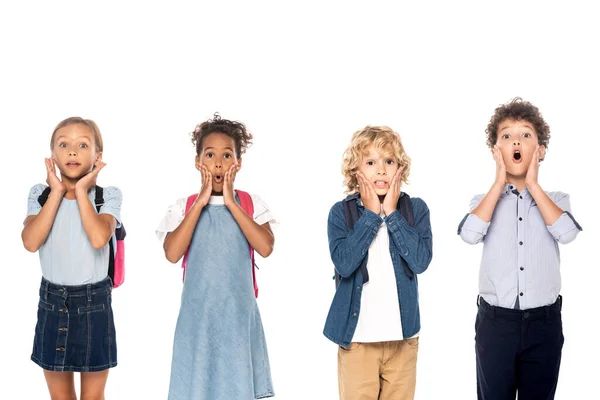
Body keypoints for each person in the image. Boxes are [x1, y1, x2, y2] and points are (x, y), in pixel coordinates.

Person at [458, 98, 582, 400]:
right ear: (496, 151)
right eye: (507, 136)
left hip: (544, 324)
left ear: (539, 151)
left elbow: (567, 234)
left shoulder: (557, 199)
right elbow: (470, 235)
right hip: (496, 324)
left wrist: (534, 185)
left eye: (526, 135)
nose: (516, 140)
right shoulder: (483, 201)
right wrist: (499, 182)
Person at [156, 114, 276, 400]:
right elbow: (172, 253)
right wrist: (200, 200)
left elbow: (265, 247)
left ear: (238, 163)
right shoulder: (183, 207)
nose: (218, 163)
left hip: (237, 318)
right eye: (210, 155)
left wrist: (232, 202)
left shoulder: (251, 204)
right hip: (198, 320)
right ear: (198, 162)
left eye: (227, 155)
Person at [324, 125, 433, 400]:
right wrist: (372, 215)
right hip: (359, 341)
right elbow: (345, 264)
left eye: (389, 161)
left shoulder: (415, 209)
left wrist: (392, 213)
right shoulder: (341, 213)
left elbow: (420, 261)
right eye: (371, 162)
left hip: (403, 342)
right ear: (355, 170)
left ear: (400, 168)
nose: (381, 170)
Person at [22, 117, 122, 399]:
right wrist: (56, 191)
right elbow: (30, 242)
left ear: (97, 157)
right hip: (52, 303)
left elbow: (98, 238)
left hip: (94, 305)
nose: (73, 151)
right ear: (53, 155)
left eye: (82, 145)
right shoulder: (40, 195)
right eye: (64, 145)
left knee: (92, 397)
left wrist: (80, 191)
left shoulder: (107, 196)